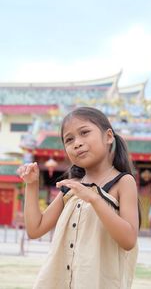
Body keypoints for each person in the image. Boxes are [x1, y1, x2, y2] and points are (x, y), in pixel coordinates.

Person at [17, 106, 141, 289]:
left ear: (108, 137)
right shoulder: (72, 186)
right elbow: (35, 229)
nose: (77, 143)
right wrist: (32, 184)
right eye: (69, 139)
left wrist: (94, 199)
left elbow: (129, 240)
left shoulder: (123, 182)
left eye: (84, 132)